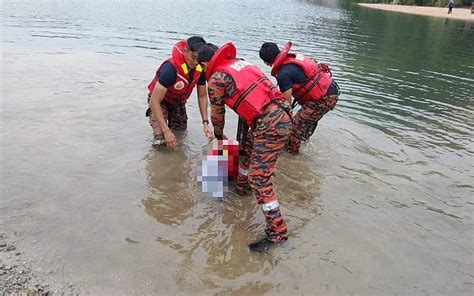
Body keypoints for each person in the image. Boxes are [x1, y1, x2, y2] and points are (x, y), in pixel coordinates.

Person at [197, 42, 292, 252]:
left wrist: (219, 138)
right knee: (247, 154)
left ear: (205, 63)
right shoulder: (242, 64)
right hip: (282, 111)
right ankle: (242, 190)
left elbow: (217, 114)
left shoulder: (215, 79)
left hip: (270, 122)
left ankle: (278, 233)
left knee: (259, 177)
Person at [259, 41, 340, 154]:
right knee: (304, 123)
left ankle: (292, 159)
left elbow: (286, 105)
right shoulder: (293, 59)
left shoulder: (283, 74)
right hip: (331, 90)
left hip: (323, 99)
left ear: (266, 62)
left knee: (294, 130)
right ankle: (303, 146)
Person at [146, 36, 213, 150]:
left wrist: (205, 122)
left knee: (180, 134)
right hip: (159, 101)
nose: (195, 62)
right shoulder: (170, 69)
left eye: (198, 59)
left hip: (178, 102)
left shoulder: (199, 68)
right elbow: (154, 101)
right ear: (185, 51)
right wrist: (166, 131)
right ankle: (159, 159)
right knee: (160, 136)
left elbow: (202, 96)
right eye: (193, 57)